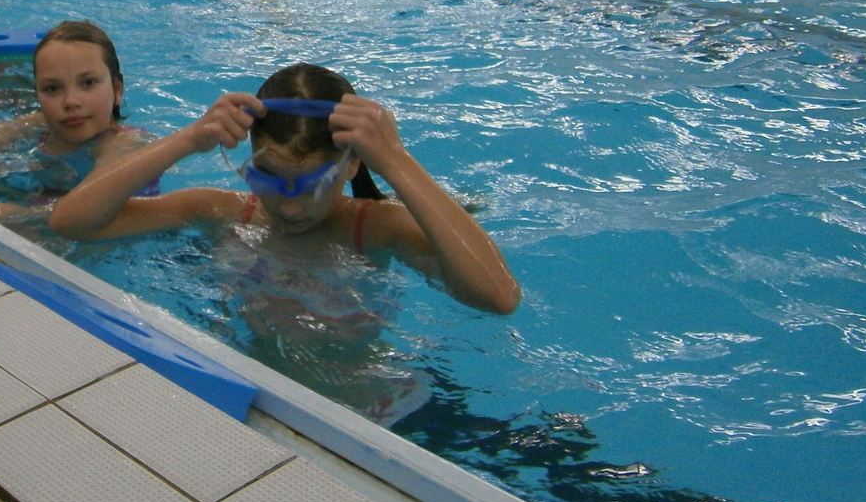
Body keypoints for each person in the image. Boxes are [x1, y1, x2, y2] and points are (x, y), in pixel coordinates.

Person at [49, 63, 521, 316]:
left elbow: (499, 298)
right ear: (250, 156)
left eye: (314, 184)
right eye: (268, 176)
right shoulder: (219, 210)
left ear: (353, 164)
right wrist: (188, 139)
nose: (291, 206)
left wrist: (396, 160)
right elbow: (71, 223)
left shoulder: (377, 228)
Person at [0, 21, 155, 222]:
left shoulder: (123, 144)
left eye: (88, 83)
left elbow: (77, 216)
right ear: (37, 95)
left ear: (117, 89)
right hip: (42, 201)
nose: (71, 101)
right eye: (52, 88)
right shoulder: (33, 125)